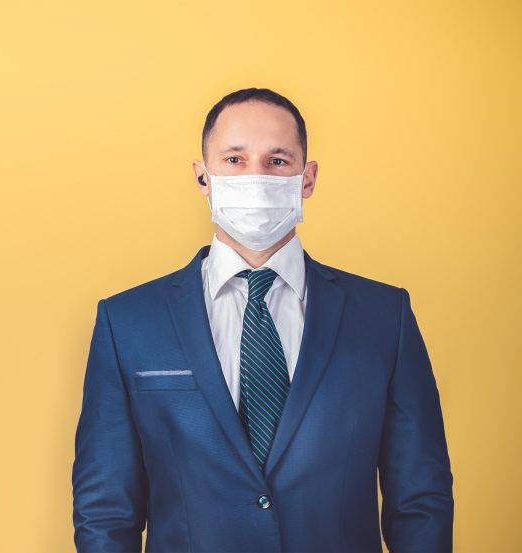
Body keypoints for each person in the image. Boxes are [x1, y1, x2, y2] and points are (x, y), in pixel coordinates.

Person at [72, 88, 453, 552]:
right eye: (234, 160)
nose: (255, 176)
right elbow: (105, 509)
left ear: (307, 178)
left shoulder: (383, 316)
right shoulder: (128, 321)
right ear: (202, 178)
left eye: (277, 161)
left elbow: (420, 497)